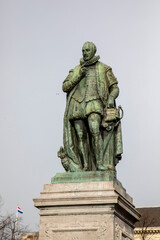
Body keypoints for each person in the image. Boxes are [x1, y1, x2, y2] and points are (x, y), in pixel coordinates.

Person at [58, 42, 123, 172]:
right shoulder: (76, 69)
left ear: (93, 51)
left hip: (95, 102)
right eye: (83, 51)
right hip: (77, 104)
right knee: (80, 135)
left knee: (94, 130)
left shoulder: (104, 68)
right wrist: (78, 76)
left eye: (87, 50)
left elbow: (115, 88)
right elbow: (65, 87)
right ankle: (85, 166)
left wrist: (110, 98)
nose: (85, 53)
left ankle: (99, 163)